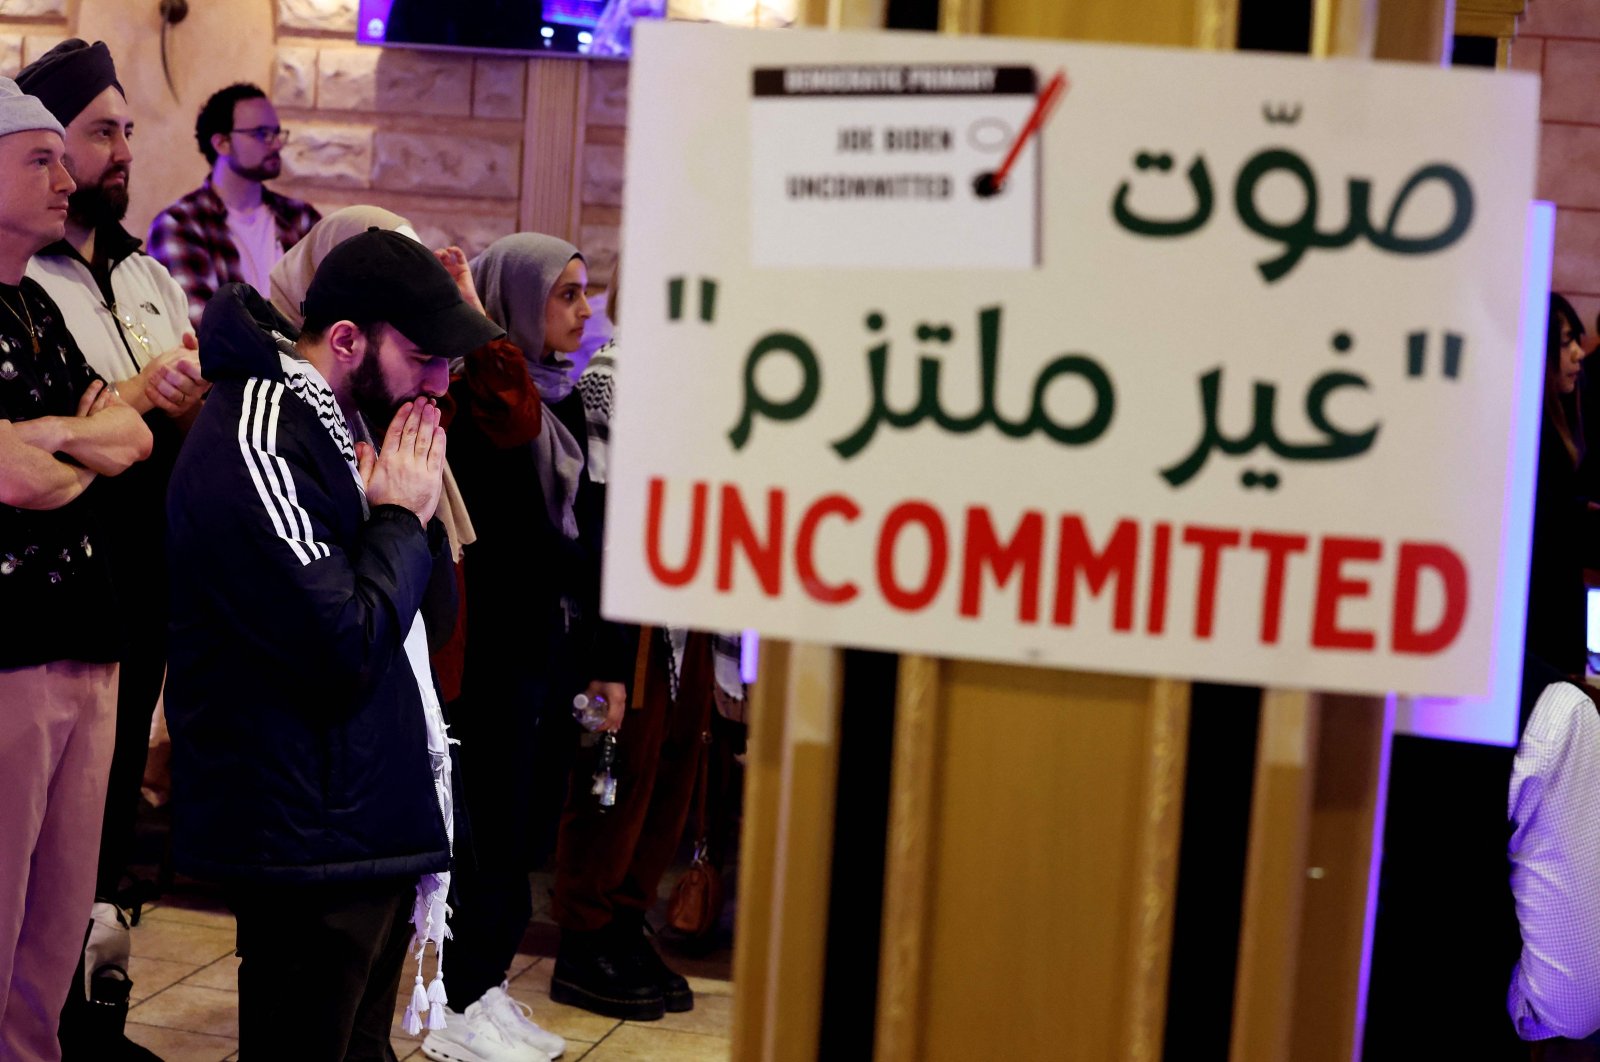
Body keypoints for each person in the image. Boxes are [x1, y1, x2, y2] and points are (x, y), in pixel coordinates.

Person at [164, 229, 499, 1060]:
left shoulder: (351, 418)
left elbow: (433, 619)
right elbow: (340, 640)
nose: (439, 382)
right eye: (423, 355)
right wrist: (395, 515)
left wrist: (410, 505)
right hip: (301, 828)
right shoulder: (257, 428)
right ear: (347, 339)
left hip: (364, 812)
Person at [15, 46, 207, 1053]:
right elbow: (42, 440)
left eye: (127, 130)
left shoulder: (146, 275)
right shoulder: (24, 282)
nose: (122, 151)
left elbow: (135, 425)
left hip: (144, 571)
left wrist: (170, 405)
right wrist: (122, 409)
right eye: (100, 133)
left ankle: (89, 1018)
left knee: (106, 816)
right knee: (31, 838)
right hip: (47, 579)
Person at [421, 234, 615, 1062]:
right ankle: (456, 1002)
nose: (582, 312)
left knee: (525, 827)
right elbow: (513, 535)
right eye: (564, 295)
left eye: (585, 293)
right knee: (487, 824)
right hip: (492, 644)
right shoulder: (482, 400)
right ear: (513, 301)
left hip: (545, 642)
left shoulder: (567, 399)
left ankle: (489, 986)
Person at [0, 75, 153, 1061]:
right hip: (11, 654)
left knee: (53, 931)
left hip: (89, 646)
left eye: (68, 156)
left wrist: (53, 434)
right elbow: (19, 478)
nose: (67, 178)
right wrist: (65, 440)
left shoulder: (40, 307)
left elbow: (131, 434)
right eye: (40, 159)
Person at [148, 82, 319, 327]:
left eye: (277, 132)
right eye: (261, 133)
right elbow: (206, 329)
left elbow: (335, 312)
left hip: (305, 365)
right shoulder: (179, 224)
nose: (277, 144)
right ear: (221, 143)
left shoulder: (301, 218)